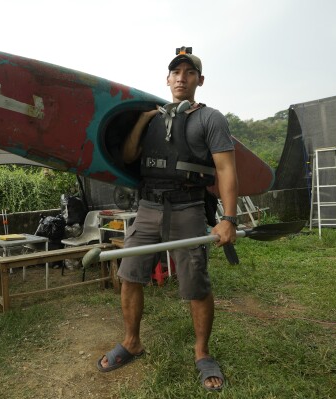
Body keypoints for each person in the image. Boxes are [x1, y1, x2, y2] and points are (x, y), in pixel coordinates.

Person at [96, 47, 238, 392]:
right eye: (176, 72)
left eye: (189, 73)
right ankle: (132, 342)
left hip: (188, 208)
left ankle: (202, 353)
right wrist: (144, 120)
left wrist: (229, 218)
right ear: (167, 78)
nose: (181, 78)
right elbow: (129, 156)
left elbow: (226, 169)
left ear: (199, 81)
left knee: (196, 285)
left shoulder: (211, 118)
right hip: (147, 208)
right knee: (129, 276)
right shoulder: (152, 119)